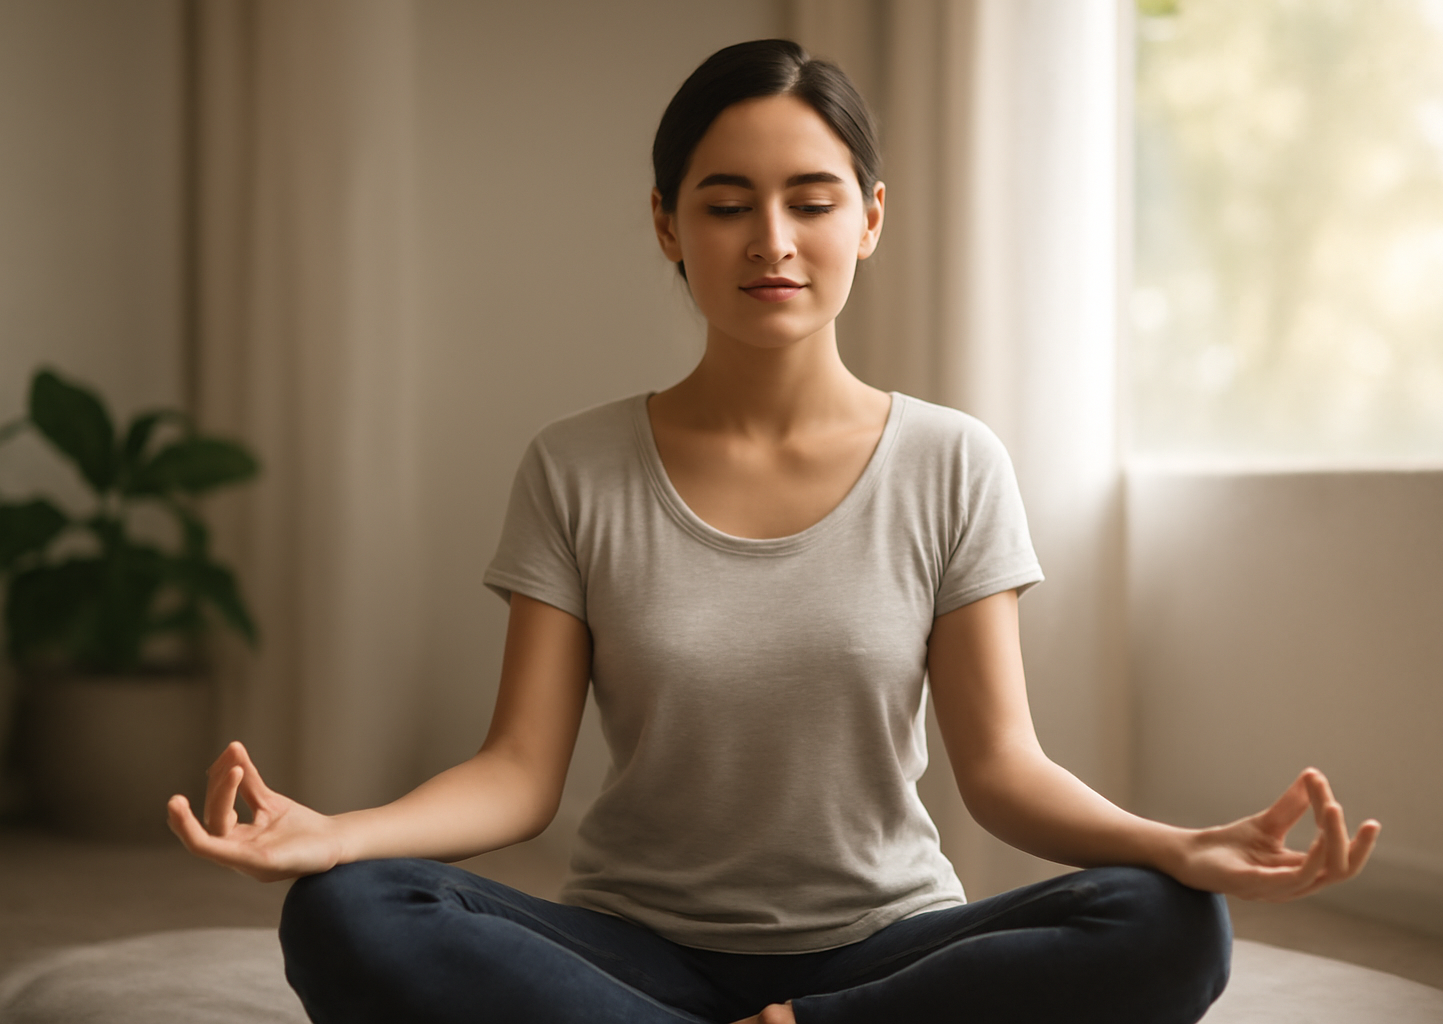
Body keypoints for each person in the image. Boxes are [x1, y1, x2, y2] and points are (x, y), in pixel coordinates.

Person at [168, 39, 1380, 1024]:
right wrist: (340, 833)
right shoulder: (575, 465)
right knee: (349, 911)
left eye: (812, 200)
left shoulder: (953, 461)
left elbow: (1002, 771)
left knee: (1167, 920)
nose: (772, 242)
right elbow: (519, 772)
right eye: (727, 203)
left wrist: (1178, 843)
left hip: (884, 951)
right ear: (666, 223)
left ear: (871, 217)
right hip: (631, 952)